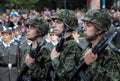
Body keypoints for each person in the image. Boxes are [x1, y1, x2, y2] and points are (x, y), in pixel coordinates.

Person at [81, 9, 120, 81]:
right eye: (84, 24)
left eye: (88, 25)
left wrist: (92, 64)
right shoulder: (89, 48)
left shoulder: (110, 53)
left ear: (100, 30)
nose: (84, 28)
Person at [49, 9, 84, 81]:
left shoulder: (72, 46)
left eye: (58, 22)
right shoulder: (62, 44)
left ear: (67, 26)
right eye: (54, 22)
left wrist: (55, 59)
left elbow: (67, 77)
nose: (53, 25)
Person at [21, 16, 50, 81]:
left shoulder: (46, 50)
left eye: (31, 28)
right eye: (28, 27)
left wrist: (31, 65)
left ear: (40, 30)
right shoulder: (28, 49)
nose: (28, 30)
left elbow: (47, 76)